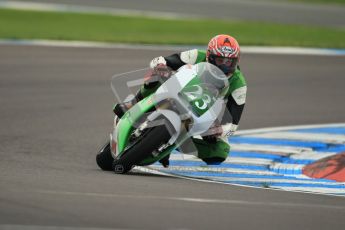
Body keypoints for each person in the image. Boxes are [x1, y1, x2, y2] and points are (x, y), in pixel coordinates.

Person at [113, 34, 247, 167]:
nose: (224, 66)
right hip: (179, 88)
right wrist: (161, 66)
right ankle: (134, 102)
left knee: (221, 152)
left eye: (229, 62)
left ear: (236, 61)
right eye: (219, 61)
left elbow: (233, 126)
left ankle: (173, 145)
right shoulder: (195, 55)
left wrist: (220, 131)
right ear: (209, 56)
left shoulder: (239, 84)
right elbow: (162, 60)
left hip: (204, 109)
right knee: (156, 74)